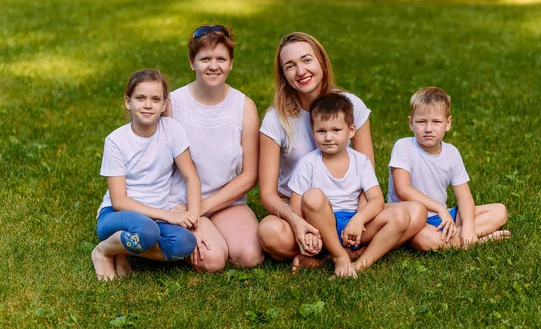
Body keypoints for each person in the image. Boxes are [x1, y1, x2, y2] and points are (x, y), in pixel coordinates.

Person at [257, 32, 427, 272]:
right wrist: (297, 223)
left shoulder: (351, 105)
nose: (301, 71)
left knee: (416, 212)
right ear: (283, 75)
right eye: (290, 66)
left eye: (307, 60)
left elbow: (365, 174)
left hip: (351, 206)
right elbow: (267, 193)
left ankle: (344, 255)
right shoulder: (277, 119)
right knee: (269, 232)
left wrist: (359, 220)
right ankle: (338, 252)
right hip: (302, 211)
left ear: (322, 63)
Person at [92, 69, 207, 281]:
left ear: (164, 105)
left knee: (185, 243)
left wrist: (194, 222)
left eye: (155, 99)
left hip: (155, 219)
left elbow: (191, 178)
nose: (147, 105)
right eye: (140, 98)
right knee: (147, 231)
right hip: (116, 216)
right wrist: (170, 215)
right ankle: (103, 251)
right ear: (128, 101)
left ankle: (122, 249)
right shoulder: (116, 141)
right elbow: (119, 201)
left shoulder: (171, 130)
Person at [166, 25, 264, 272]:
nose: (213, 66)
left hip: (226, 200)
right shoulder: (173, 105)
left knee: (250, 256)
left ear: (231, 63)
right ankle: (186, 235)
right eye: (205, 59)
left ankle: (219, 231)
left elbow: (250, 175)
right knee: (212, 260)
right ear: (192, 62)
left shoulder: (245, 106)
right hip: (182, 203)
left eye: (221, 59)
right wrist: (186, 212)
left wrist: (204, 208)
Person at [289, 93, 404, 278]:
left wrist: (359, 219)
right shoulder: (308, 163)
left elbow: (376, 200)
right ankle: (339, 256)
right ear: (313, 132)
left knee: (401, 215)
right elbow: (296, 205)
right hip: (323, 226)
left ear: (351, 131)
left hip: (354, 226)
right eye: (321, 131)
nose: (328, 137)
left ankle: (358, 265)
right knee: (313, 196)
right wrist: (309, 232)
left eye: (336, 130)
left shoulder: (361, 161)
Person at [388, 86, 511, 251]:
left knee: (500, 211)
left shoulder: (452, 153)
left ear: (448, 123)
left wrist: (467, 226)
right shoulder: (403, 146)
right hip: (415, 221)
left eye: (436, 122)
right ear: (411, 123)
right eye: (421, 121)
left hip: (444, 218)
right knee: (425, 240)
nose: (428, 129)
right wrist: (439, 208)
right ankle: (479, 240)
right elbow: (402, 189)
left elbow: (465, 197)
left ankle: (462, 237)